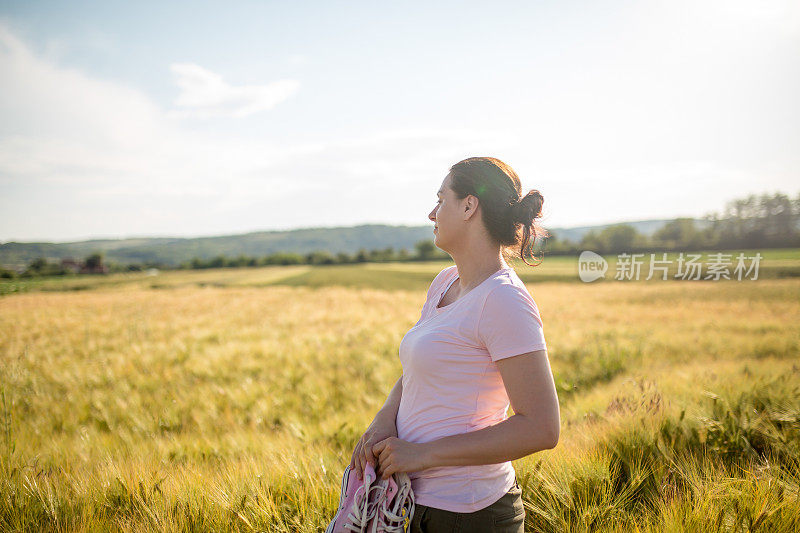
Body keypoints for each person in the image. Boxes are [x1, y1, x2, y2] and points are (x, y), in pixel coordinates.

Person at [349, 156, 561, 532]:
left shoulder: (504, 300)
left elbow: (541, 428)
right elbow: (418, 373)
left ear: (469, 206)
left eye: (440, 199)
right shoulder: (445, 282)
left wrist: (421, 455)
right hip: (412, 504)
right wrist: (384, 420)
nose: (432, 213)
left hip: (471, 515)